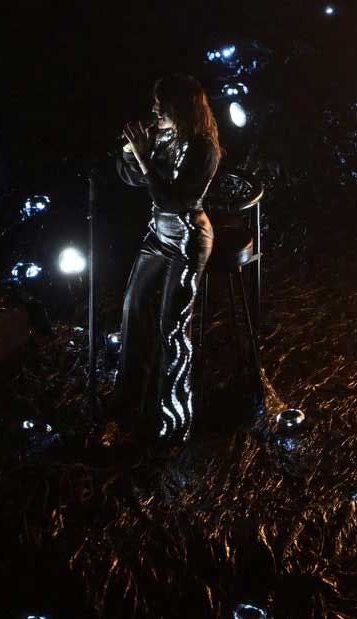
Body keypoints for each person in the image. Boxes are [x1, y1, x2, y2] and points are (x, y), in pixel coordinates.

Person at [114, 74, 222, 445]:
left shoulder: (204, 149)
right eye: (156, 105)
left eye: (163, 106)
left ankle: (173, 421)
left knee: (171, 328)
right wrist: (131, 152)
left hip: (189, 238)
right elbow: (130, 179)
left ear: (182, 108)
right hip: (157, 236)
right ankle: (129, 402)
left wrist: (145, 160)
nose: (155, 111)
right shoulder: (165, 136)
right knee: (133, 306)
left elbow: (172, 200)